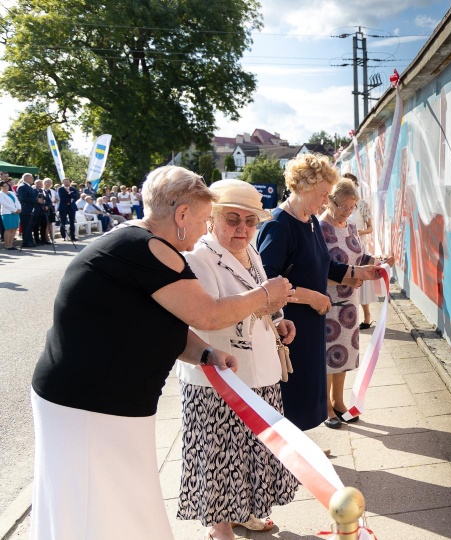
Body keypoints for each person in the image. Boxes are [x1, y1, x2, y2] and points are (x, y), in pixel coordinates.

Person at [30, 165, 295, 540]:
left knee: (117, 503)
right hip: (89, 404)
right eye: (206, 219)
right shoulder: (150, 249)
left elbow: (169, 324)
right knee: (101, 505)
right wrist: (267, 295)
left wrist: (206, 354)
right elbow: (207, 312)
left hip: (102, 401)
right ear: (182, 215)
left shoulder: (141, 245)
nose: (206, 229)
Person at [177, 180, 299, 540]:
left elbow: (261, 301)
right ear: (212, 218)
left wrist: (279, 320)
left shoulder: (250, 251)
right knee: (219, 457)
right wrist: (265, 296)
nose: (242, 229)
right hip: (220, 378)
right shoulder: (199, 257)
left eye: (250, 221)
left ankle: (244, 512)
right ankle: (219, 528)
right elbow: (207, 317)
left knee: (253, 450)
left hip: (260, 371)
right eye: (233, 219)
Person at [257, 153, 381, 431]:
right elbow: (265, 282)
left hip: (312, 323)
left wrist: (356, 273)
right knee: (293, 393)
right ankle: (290, 458)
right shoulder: (278, 225)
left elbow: (325, 264)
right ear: (302, 186)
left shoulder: (310, 221)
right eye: (322, 194)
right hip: (288, 325)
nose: (325, 201)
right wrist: (313, 297)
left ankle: (302, 450)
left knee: (310, 389)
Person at [319, 179, 395, 428]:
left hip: (349, 302)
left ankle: (339, 402)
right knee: (328, 357)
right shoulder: (320, 229)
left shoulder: (350, 227)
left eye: (352, 207)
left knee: (344, 356)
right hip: (329, 302)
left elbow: (359, 256)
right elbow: (321, 267)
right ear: (330, 200)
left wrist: (379, 260)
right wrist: (354, 275)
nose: (347, 212)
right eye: (343, 206)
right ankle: (326, 408)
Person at [343, 173, 379, 329]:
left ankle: (367, 316)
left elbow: (370, 228)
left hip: (359, 247)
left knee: (362, 283)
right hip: (344, 248)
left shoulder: (363, 205)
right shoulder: (338, 205)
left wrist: (357, 232)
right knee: (347, 281)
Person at [16, 174, 38, 247]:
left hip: (31, 209)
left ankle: (30, 240)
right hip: (26, 210)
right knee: (26, 226)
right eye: (31, 178)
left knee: (30, 226)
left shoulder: (29, 187)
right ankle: (26, 242)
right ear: (26, 178)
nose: (33, 179)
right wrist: (36, 200)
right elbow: (23, 198)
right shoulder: (22, 187)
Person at [0, 177, 21, 250]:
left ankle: (11, 244)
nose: (5, 187)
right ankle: (7, 245)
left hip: (16, 213)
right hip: (7, 213)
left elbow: (17, 201)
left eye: (6, 186)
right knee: (8, 229)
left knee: (14, 228)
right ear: (1, 187)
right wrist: (15, 209)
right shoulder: (1, 194)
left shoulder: (12, 193)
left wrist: (19, 208)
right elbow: (5, 204)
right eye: (3, 186)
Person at [31, 178, 50, 245]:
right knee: (36, 226)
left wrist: (47, 206)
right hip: (37, 211)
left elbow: (48, 200)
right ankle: (37, 240)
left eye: (40, 184)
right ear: (35, 184)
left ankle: (44, 239)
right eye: (37, 184)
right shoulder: (33, 191)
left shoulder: (44, 191)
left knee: (44, 226)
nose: (39, 185)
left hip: (44, 211)